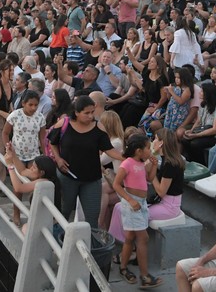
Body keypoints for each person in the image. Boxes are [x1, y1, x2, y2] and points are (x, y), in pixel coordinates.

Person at [49, 95, 122, 229]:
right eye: (86, 113)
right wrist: (58, 159)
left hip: (91, 179)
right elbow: (52, 142)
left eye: (92, 112)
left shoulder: (98, 127)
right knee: (64, 212)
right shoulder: (64, 123)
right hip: (67, 176)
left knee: (92, 216)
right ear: (76, 112)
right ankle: (59, 238)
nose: (90, 116)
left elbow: (109, 149)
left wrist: (126, 158)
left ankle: (90, 241)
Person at [111, 133, 162, 289]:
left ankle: (123, 267)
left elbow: (149, 178)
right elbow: (116, 184)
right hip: (132, 205)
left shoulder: (141, 163)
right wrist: (130, 200)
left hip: (141, 204)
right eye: (148, 148)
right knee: (143, 238)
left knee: (130, 237)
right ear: (138, 151)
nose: (150, 150)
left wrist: (154, 165)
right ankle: (144, 276)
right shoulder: (127, 164)